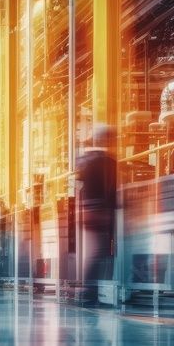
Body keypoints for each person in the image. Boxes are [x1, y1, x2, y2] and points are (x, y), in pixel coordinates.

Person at [76, 125, 117, 304]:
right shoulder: (106, 162)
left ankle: (91, 289)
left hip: (90, 211)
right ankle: (90, 291)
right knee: (100, 252)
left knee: (99, 252)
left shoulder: (88, 159)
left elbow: (81, 185)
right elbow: (109, 189)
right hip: (99, 211)